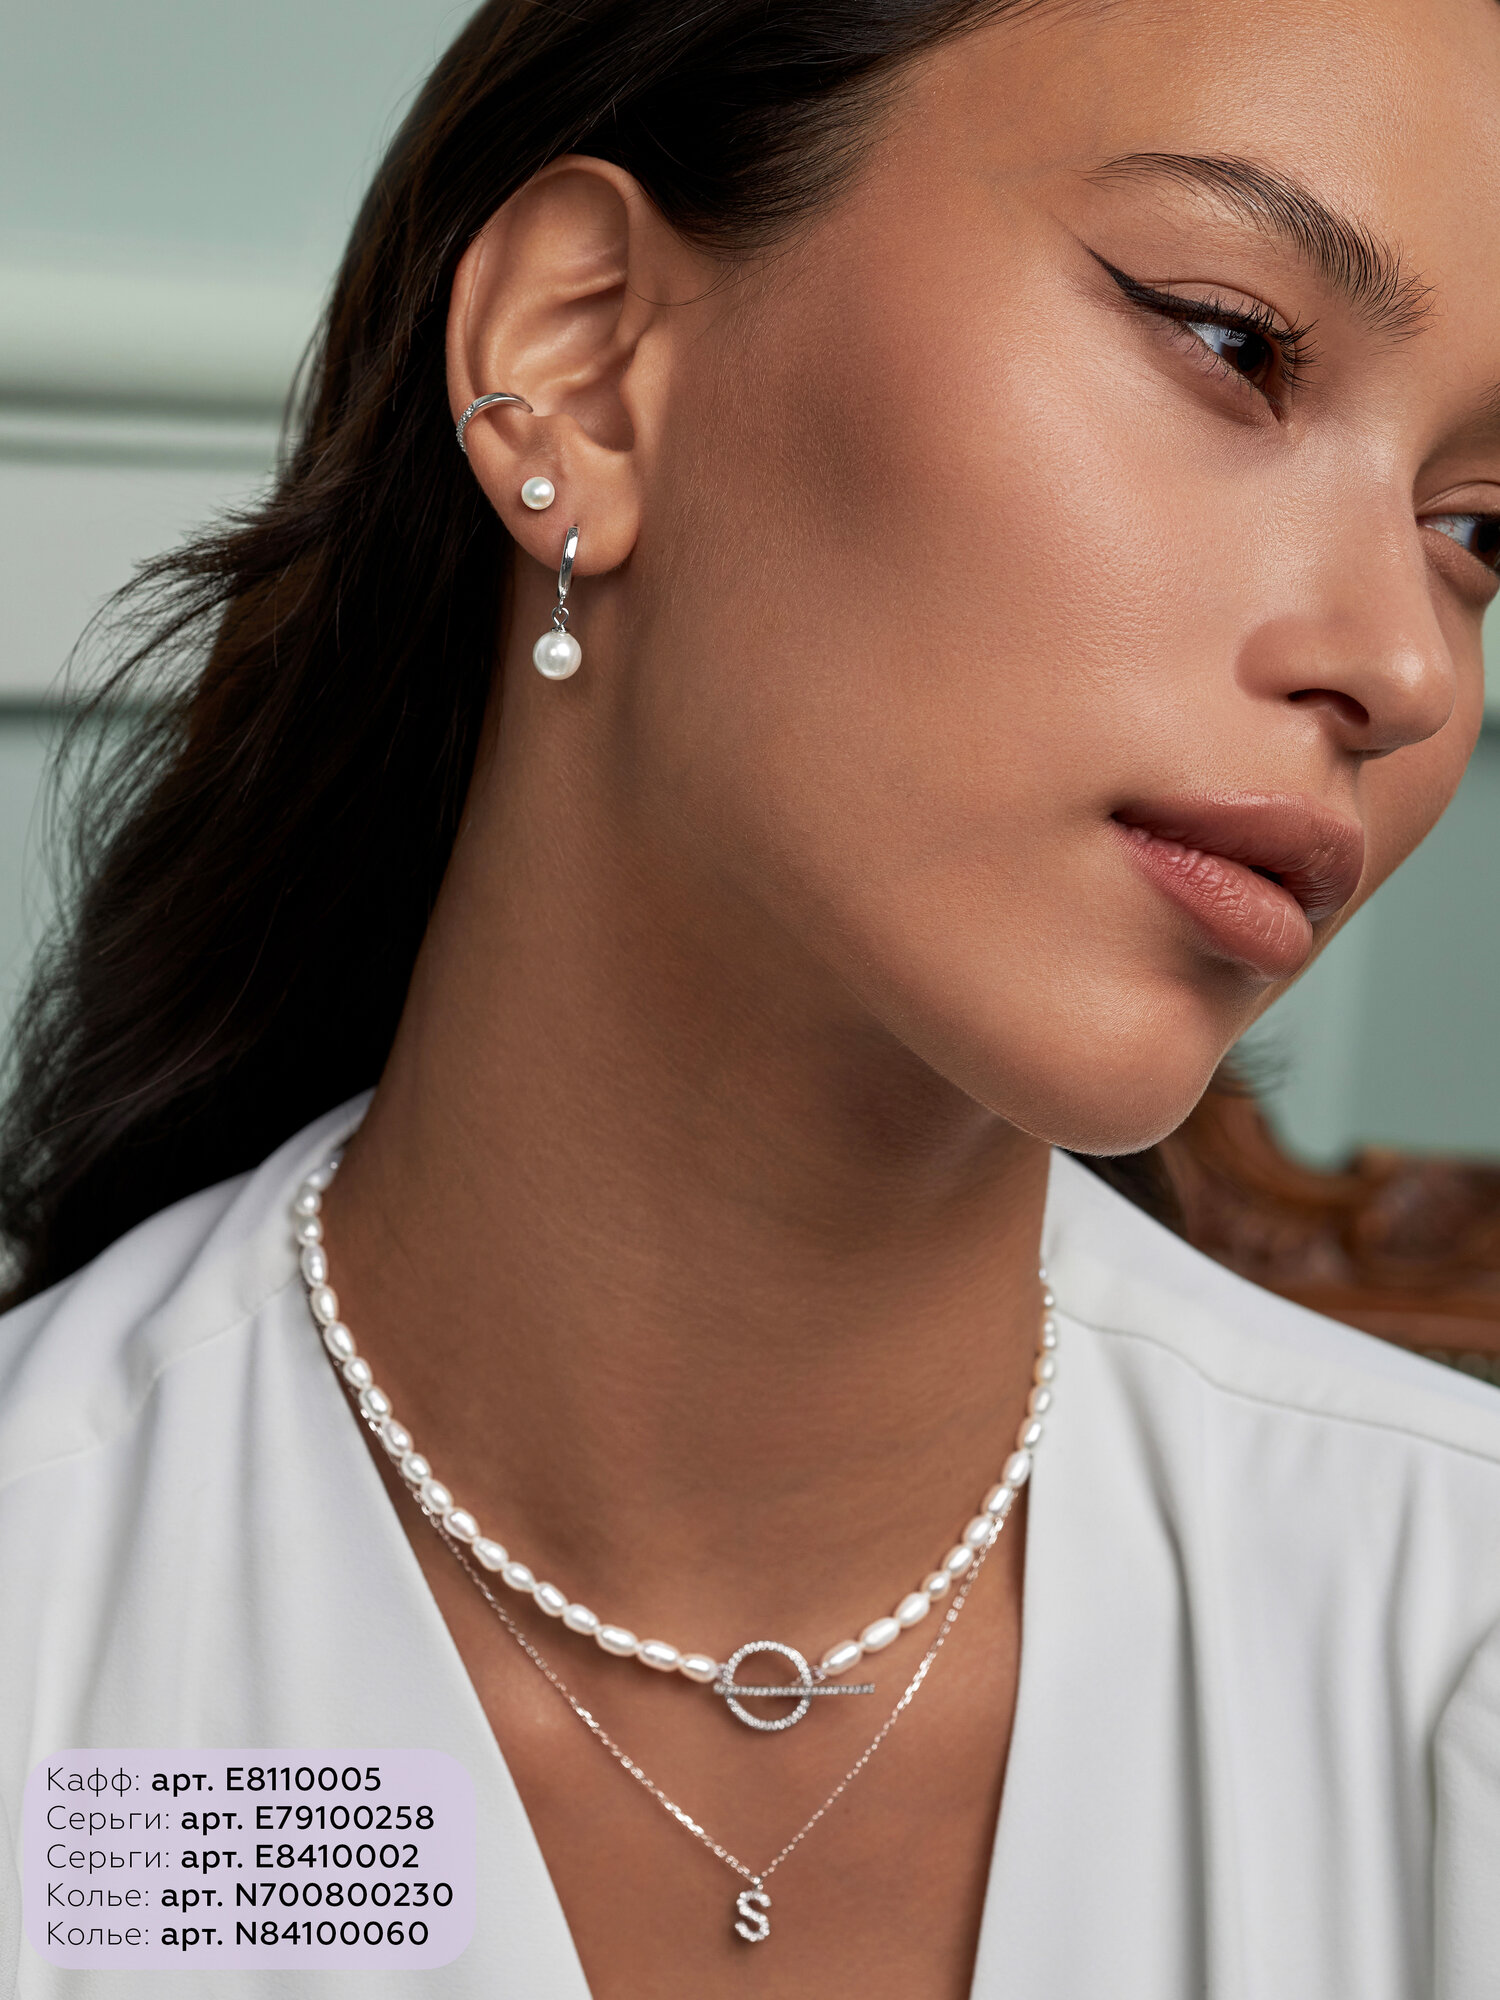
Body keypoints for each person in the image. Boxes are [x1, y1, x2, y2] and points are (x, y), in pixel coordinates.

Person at [3, 0, 1500, 1992]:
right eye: (1231, 343)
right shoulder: (46, 1632)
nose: (1406, 667)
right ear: (585, 364)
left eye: (1476, 532)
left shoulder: (1456, 1654)